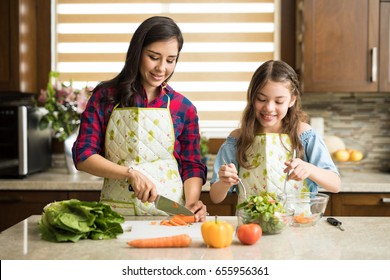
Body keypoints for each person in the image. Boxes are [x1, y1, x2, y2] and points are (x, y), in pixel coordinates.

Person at [72, 16, 208, 222]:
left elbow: (192, 165)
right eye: (154, 57)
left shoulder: (184, 108)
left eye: (170, 60)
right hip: (117, 215)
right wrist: (130, 174)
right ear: (137, 53)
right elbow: (83, 156)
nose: (162, 68)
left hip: (170, 215)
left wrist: (191, 203)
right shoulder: (105, 97)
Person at [209, 60, 341, 205]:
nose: (269, 108)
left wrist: (310, 169)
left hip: (297, 222)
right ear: (252, 98)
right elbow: (215, 197)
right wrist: (224, 182)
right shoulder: (237, 138)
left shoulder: (304, 134)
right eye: (261, 99)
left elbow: (335, 184)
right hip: (252, 225)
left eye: (278, 102)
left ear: (291, 100)